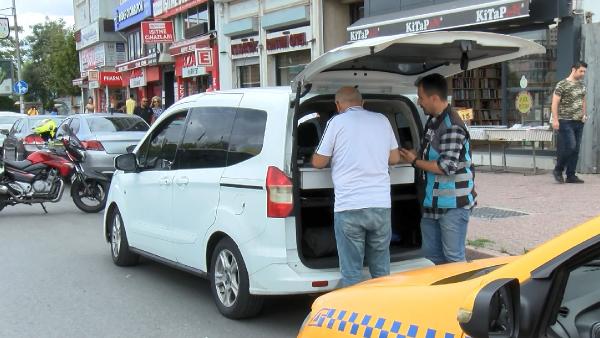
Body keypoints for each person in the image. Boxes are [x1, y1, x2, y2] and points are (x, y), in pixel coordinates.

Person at [311, 87, 401, 287]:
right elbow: (394, 158)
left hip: (349, 206)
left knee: (352, 273)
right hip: (380, 205)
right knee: (382, 273)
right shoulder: (382, 120)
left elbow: (318, 162)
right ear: (363, 103)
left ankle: (355, 314)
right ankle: (383, 312)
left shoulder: (336, 122)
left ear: (338, 105)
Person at [398, 73, 476, 265]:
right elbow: (428, 154)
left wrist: (414, 161)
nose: (419, 101)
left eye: (421, 97)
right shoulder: (434, 121)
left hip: (453, 205)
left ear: (434, 98)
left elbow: (445, 166)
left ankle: (460, 295)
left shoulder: (452, 126)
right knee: (432, 259)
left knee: (453, 258)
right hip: (432, 203)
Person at [552, 61, 588, 184]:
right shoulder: (562, 84)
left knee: (576, 149)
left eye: (584, 71)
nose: (583, 74)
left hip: (579, 121)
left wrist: (584, 115)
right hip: (565, 121)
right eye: (581, 71)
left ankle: (571, 175)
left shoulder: (582, 85)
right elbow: (555, 103)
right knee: (570, 146)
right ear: (574, 69)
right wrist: (555, 120)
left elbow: (583, 101)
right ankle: (558, 169)